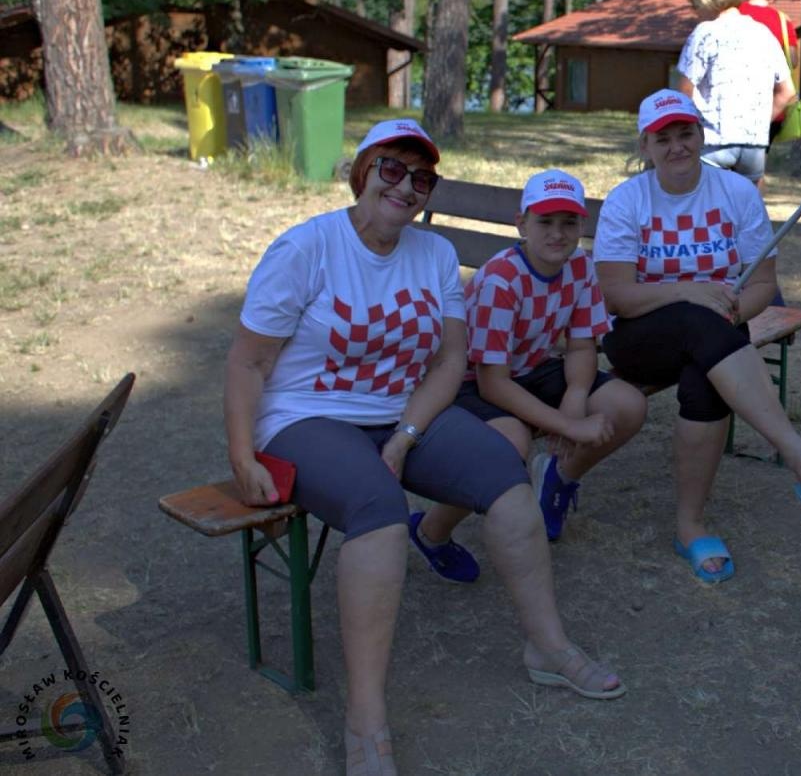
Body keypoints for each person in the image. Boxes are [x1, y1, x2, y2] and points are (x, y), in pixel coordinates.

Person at [223, 120, 624, 776]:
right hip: (305, 419)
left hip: (400, 413)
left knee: (504, 470)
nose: (406, 186)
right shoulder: (306, 249)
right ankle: (367, 721)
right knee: (378, 508)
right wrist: (242, 454)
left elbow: (450, 362)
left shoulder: (433, 255)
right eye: (392, 169)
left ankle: (547, 647)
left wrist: (408, 434)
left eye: (422, 178)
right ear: (362, 172)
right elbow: (247, 364)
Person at [593, 89, 801, 583]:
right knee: (701, 323)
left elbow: (762, 285)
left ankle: (690, 527)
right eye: (663, 138)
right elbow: (616, 297)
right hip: (636, 341)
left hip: (714, 341)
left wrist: (727, 308)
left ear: (701, 134)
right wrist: (693, 293)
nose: (677, 146)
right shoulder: (627, 200)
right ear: (645, 146)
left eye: (686, 133)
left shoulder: (736, 194)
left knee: (705, 374)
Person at [409, 170, 647, 575]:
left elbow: (581, 344)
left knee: (627, 404)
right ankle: (431, 531)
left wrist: (575, 395)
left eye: (568, 222)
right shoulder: (502, 280)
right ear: (521, 224)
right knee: (509, 446)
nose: (558, 234)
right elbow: (491, 382)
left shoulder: (580, 267)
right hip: (471, 381)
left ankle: (557, 478)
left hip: (535, 368)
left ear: (581, 226)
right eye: (545, 222)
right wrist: (567, 425)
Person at [675, 0, 796, 192]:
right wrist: (759, 121)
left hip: (712, 141)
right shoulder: (764, 33)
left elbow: (683, 93)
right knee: (748, 215)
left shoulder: (705, 32)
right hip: (755, 144)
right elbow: (787, 91)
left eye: (694, 4)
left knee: (705, 212)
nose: (695, 11)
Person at [738, 0, 801, 144]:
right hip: (771, 106)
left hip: (733, 104)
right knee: (756, 166)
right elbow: (793, 60)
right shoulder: (783, 21)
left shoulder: (732, 13)